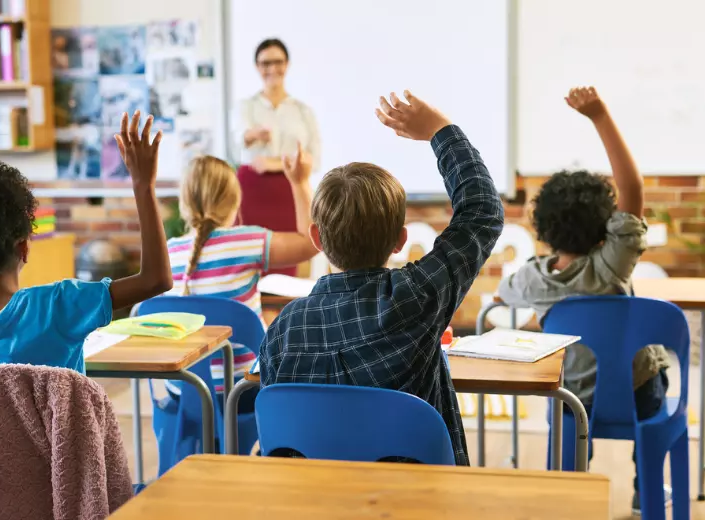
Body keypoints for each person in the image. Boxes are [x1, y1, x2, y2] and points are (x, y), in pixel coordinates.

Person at [259, 90, 505, 466]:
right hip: (419, 501)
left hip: (316, 501)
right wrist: (440, 130)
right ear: (400, 241)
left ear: (316, 240)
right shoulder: (416, 299)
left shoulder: (283, 330)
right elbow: (483, 210)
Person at [497, 87, 670, 514]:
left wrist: (544, 319)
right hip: (637, 390)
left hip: (574, 399)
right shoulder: (613, 264)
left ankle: (567, 496)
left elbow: (503, 295)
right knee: (652, 380)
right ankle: (645, 494)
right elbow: (632, 187)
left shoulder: (534, 280)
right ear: (606, 229)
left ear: (543, 228)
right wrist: (600, 116)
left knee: (562, 413)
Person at [0, 112, 173, 374]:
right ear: (23, 248)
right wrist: (143, 185)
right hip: (61, 418)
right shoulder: (60, 306)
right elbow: (157, 280)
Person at [164, 149, 318, 407]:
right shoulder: (247, 242)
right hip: (242, 391)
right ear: (235, 202)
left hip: (183, 391)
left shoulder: (168, 253)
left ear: (184, 203)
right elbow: (311, 242)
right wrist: (299, 182)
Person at [235, 38, 321, 276]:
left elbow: (314, 157)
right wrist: (252, 135)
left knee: (289, 260)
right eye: (265, 63)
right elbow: (235, 143)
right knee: (248, 257)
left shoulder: (302, 111)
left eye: (278, 62)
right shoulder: (245, 107)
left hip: (290, 189)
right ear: (256, 67)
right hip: (251, 191)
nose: (272, 69)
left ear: (287, 64)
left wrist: (273, 164)